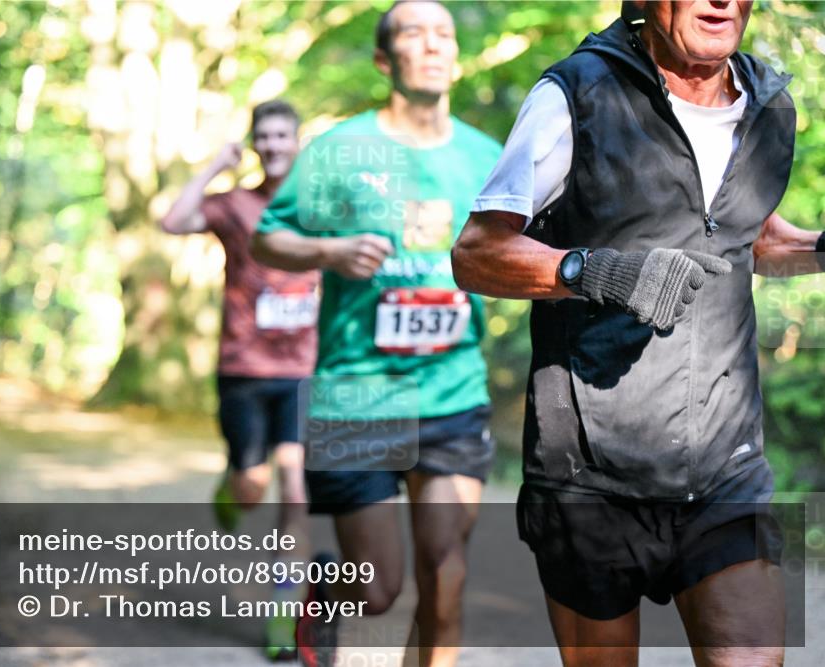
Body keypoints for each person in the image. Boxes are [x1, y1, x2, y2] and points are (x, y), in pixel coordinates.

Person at [452, 2, 823, 666]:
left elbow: (750, 235)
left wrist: (820, 246)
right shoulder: (576, 94)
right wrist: (595, 270)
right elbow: (477, 252)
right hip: (592, 472)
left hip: (724, 466)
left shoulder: (771, 106)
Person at [252, 2, 501, 666]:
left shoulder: (488, 157)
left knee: (445, 575)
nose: (433, 45)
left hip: (451, 391)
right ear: (384, 61)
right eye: (414, 35)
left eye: (444, 34)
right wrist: (328, 253)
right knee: (378, 588)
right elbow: (267, 236)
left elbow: (522, 251)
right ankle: (324, 590)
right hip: (358, 393)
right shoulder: (340, 149)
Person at [160, 99, 320, 662]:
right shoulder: (233, 204)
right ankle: (230, 488)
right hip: (244, 370)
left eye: (283, 135)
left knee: (296, 492)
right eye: (265, 137)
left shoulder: (321, 205)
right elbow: (173, 221)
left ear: (297, 142)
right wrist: (211, 168)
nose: (275, 145)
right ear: (254, 144)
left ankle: (282, 614)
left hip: (304, 371)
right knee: (254, 488)